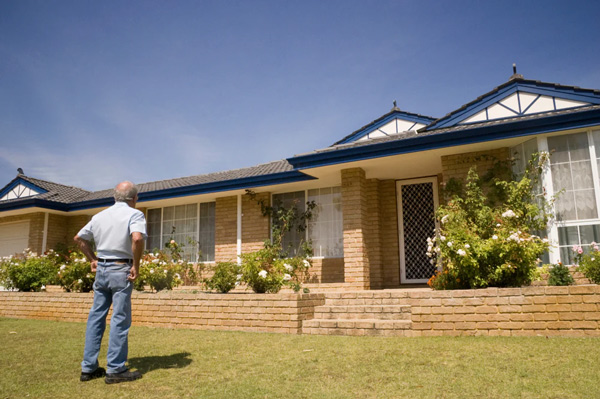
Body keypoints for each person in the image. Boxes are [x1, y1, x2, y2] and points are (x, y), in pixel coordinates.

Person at [74, 181, 146, 384]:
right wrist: (136, 266)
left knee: (96, 317)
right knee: (120, 318)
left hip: (102, 271)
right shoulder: (135, 214)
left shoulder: (99, 216)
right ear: (134, 198)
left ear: (115, 197)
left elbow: (78, 238)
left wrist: (93, 260)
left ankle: (88, 368)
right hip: (120, 269)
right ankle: (115, 368)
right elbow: (137, 238)